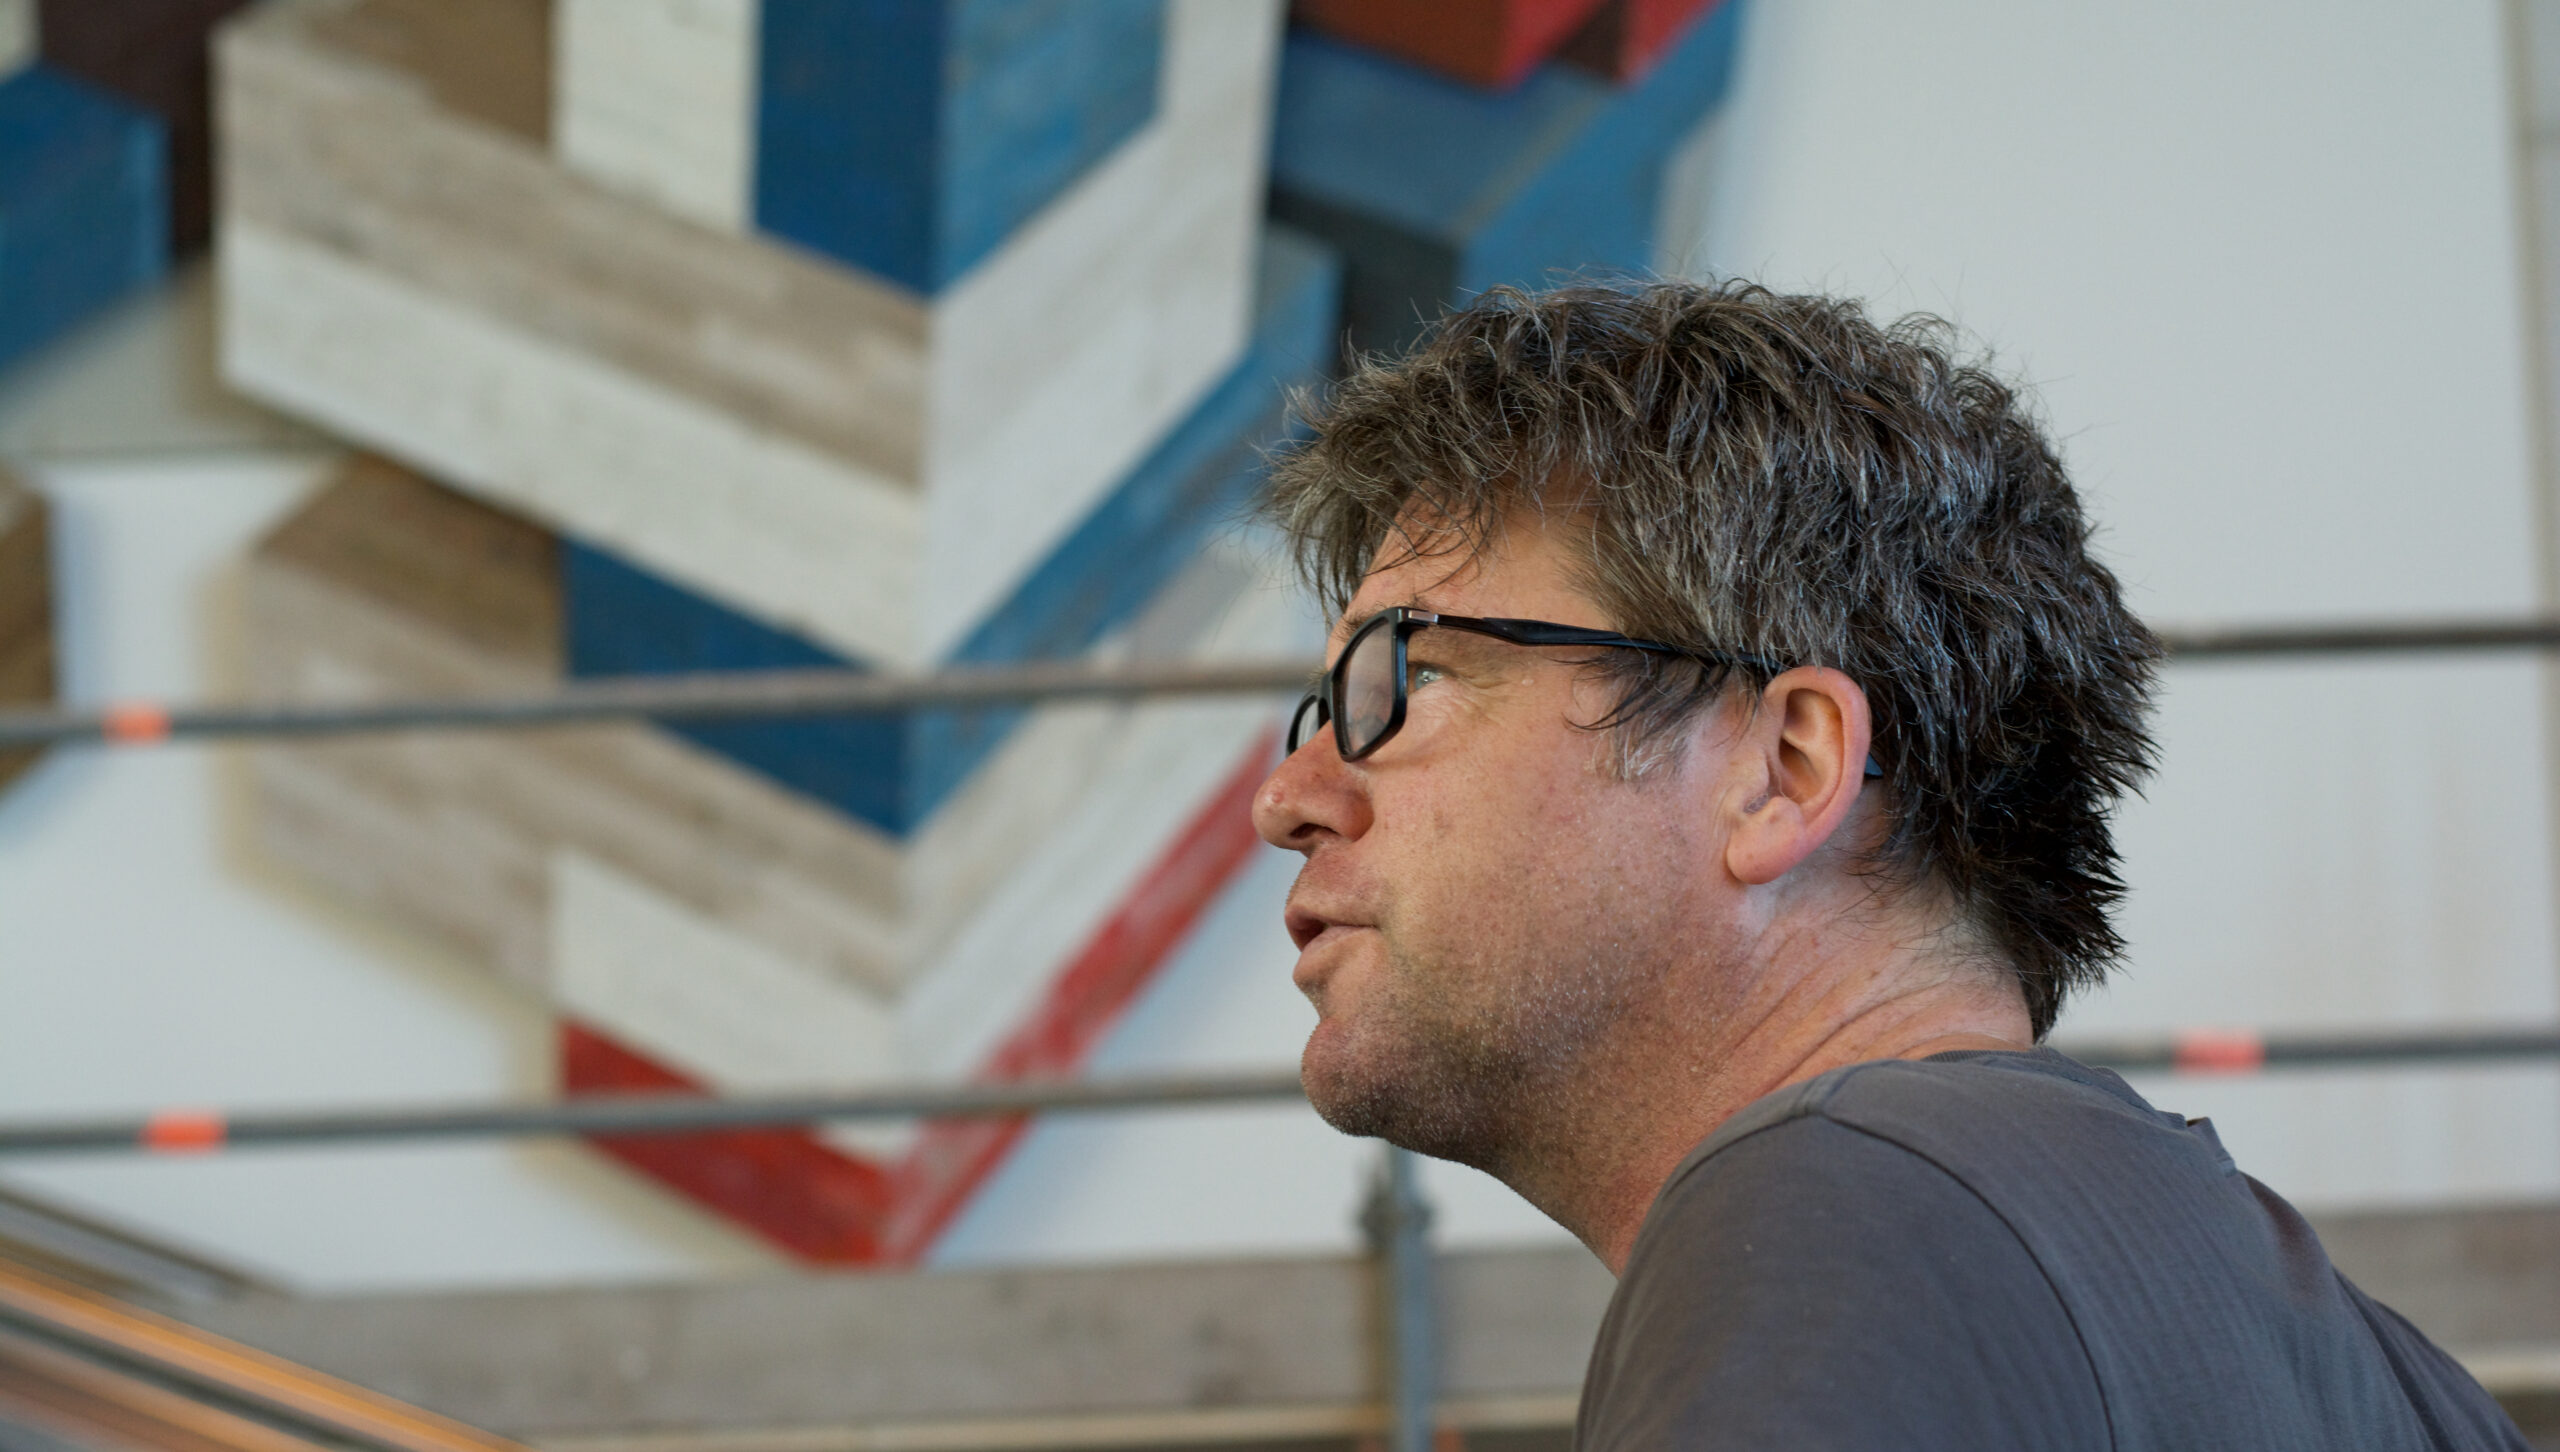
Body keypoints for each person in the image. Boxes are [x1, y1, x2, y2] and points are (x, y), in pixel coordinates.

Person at [1250, 280, 2529, 1449]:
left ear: (1784, 770)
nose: (1289, 799)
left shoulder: (1849, 1211)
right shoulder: (2389, 1379)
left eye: (1408, 679)